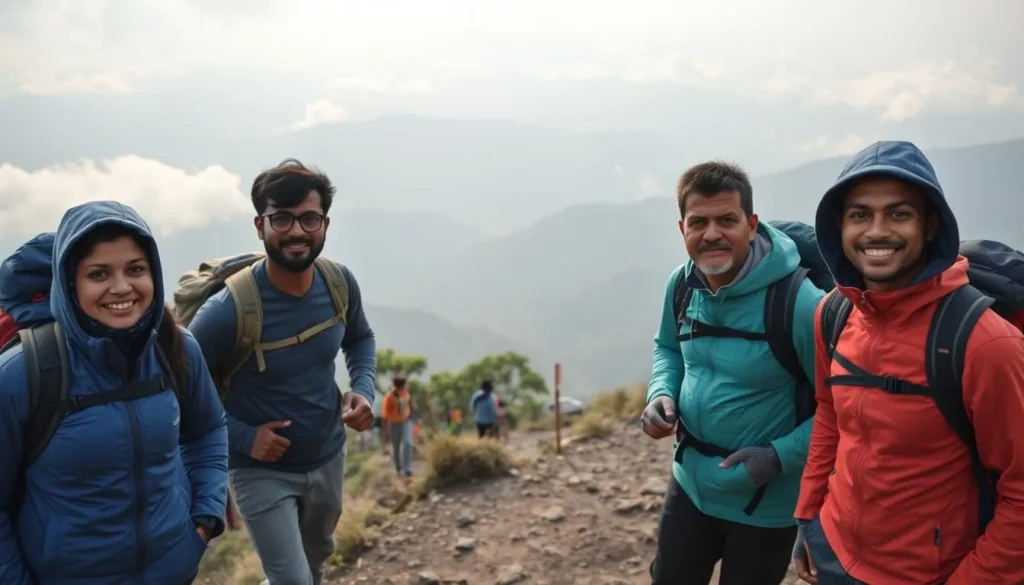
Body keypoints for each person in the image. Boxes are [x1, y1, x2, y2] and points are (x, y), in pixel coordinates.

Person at [792, 140, 1024, 585]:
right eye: (860, 214)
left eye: (899, 214)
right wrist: (809, 515)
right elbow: (829, 413)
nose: (877, 231)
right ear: (839, 225)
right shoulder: (835, 314)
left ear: (931, 225)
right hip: (835, 550)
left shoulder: (984, 344)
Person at [0, 201, 229, 585]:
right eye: (98, 273)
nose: (121, 287)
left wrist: (203, 521)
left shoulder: (177, 348)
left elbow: (207, 429)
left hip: (174, 571)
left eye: (136, 269)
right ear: (70, 283)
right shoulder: (24, 374)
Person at [187, 159, 377, 585]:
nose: (296, 231)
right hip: (259, 472)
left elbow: (361, 339)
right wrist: (243, 437)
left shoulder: (338, 283)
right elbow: (182, 391)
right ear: (260, 226)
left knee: (314, 565)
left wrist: (363, 391)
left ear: (325, 224)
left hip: (329, 455)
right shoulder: (228, 310)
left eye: (309, 218)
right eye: (282, 219)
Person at [641, 161, 826, 585]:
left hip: (766, 505)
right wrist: (660, 393)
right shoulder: (682, 284)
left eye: (727, 220)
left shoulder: (799, 305)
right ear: (682, 228)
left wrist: (778, 456)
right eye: (698, 222)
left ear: (751, 224)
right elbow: (668, 347)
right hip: (689, 485)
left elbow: (843, 409)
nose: (711, 234)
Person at [382, 373, 415, 477]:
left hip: (406, 422)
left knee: (408, 443)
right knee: (396, 446)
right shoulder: (389, 397)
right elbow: (385, 415)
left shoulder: (406, 393)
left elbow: (410, 405)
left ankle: (407, 468)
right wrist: (385, 431)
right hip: (394, 424)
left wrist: (413, 417)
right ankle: (398, 467)